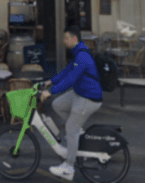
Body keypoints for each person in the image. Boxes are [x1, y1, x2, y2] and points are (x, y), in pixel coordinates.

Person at [40, 25, 103, 181]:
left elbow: (71, 79)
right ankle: (76, 132)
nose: (63, 41)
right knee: (57, 105)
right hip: (79, 93)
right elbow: (66, 72)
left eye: (65, 38)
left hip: (88, 98)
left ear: (73, 39)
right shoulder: (77, 53)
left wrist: (51, 91)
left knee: (70, 128)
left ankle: (69, 167)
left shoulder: (82, 56)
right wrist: (50, 81)